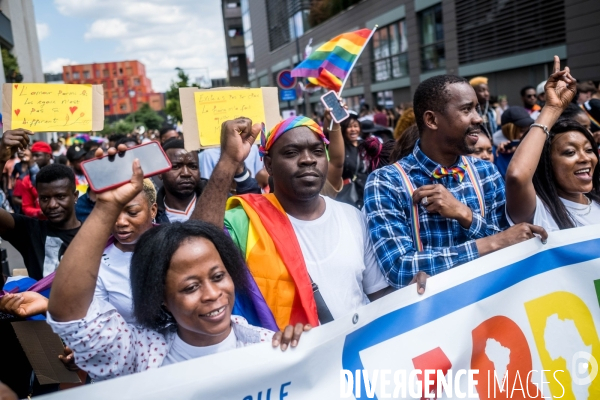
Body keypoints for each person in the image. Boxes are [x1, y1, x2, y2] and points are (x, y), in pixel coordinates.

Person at [46, 161, 309, 381]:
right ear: (161, 297)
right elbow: (70, 316)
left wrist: (307, 355)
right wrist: (107, 207)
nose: (212, 294)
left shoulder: (266, 346)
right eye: (190, 287)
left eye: (218, 276)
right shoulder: (139, 355)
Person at [192, 116, 428, 331]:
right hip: (284, 368)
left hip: (353, 359)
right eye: (292, 153)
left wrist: (412, 292)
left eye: (317, 151)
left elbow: (379, 294)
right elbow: (194, 252)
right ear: (269, 164)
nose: (307, 160)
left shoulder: (352, 216)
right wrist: (229, 161)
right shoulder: (245, 220)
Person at [364, 74, 548, 288]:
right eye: (466, 109)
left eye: (477, 109)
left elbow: (513, 241)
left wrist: (465, 215)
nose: (478, 118)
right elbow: (399, 268)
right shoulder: (386, 182)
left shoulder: (485, 171)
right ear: (432, 120)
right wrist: (492, 243)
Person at [506, 57, 600, 231]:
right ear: (546, 163)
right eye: (570, 152)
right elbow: (517, 177)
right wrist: (552, 109)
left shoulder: (597, 202)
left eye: (589, 150)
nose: (585, 158)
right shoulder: (539, 212)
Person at [0, 130, 81, 281]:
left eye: (60, 196)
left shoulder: (94, 233)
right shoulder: (30, 231)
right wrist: (1, 159)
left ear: (74, 196)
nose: (52, 205)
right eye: (44, 198)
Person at [157, 139, 260, 223]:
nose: (186, 173)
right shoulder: (152, 213)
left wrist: (240, 171)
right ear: (160, 173)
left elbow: (255, 207)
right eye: (176, 167)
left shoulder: (222, 201)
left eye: (193, 166)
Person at [493, 106, 535, 178]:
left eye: (528, 130)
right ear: (508, 130)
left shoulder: (533, 147)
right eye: (522, 131)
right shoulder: (494, 152)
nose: (526, 134)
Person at [338, 113, 370, 208]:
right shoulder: (341, 148)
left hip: (365, 191)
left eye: (355, 126)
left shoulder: (365, 145)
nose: (353, 129)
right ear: (344, 130)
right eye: (349, 127)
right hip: (348, 194)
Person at [21, 141, 52, 218]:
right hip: (40, 224)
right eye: (32, 156)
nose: (34, 159)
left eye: (37, 156)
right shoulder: (27, 180)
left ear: (48, 156)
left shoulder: (62, 175)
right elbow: (26, 207)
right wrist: (39, 212)